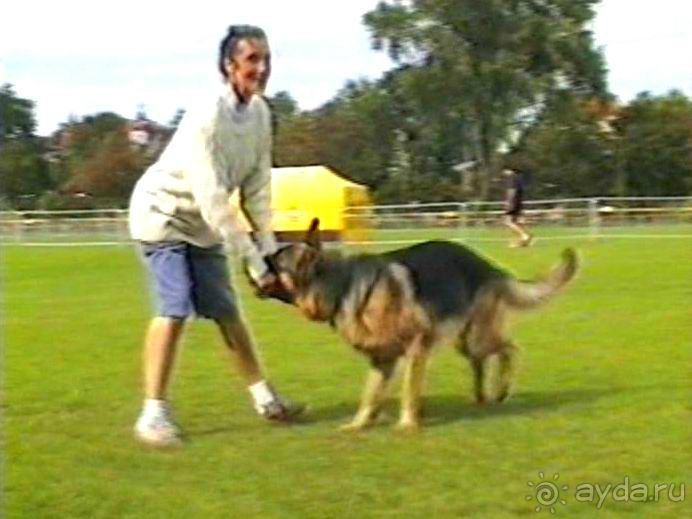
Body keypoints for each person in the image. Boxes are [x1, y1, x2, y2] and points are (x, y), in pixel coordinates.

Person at [128, 25, 303, 447]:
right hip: (164, 214)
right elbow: (212, 198)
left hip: (205, 226)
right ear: (229, 67)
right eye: (251, 60)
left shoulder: (262, 114)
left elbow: (258, 190)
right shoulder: (207, 115)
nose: (261, 69)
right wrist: (254, 263)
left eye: (266, 60)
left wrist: (270, 253)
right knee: (175, 307)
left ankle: (266, 401)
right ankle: (152, 415)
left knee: (226, 312)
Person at [502, 168, 533, 247]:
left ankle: (524, 235)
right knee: (518, 222)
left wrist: (508, 203)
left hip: (513, 203)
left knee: (508, 222)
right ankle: (522, 241)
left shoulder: (511, 178)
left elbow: (511, 191)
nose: (504, 173)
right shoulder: (519, 179)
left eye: (504, 171)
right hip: (519, 203)